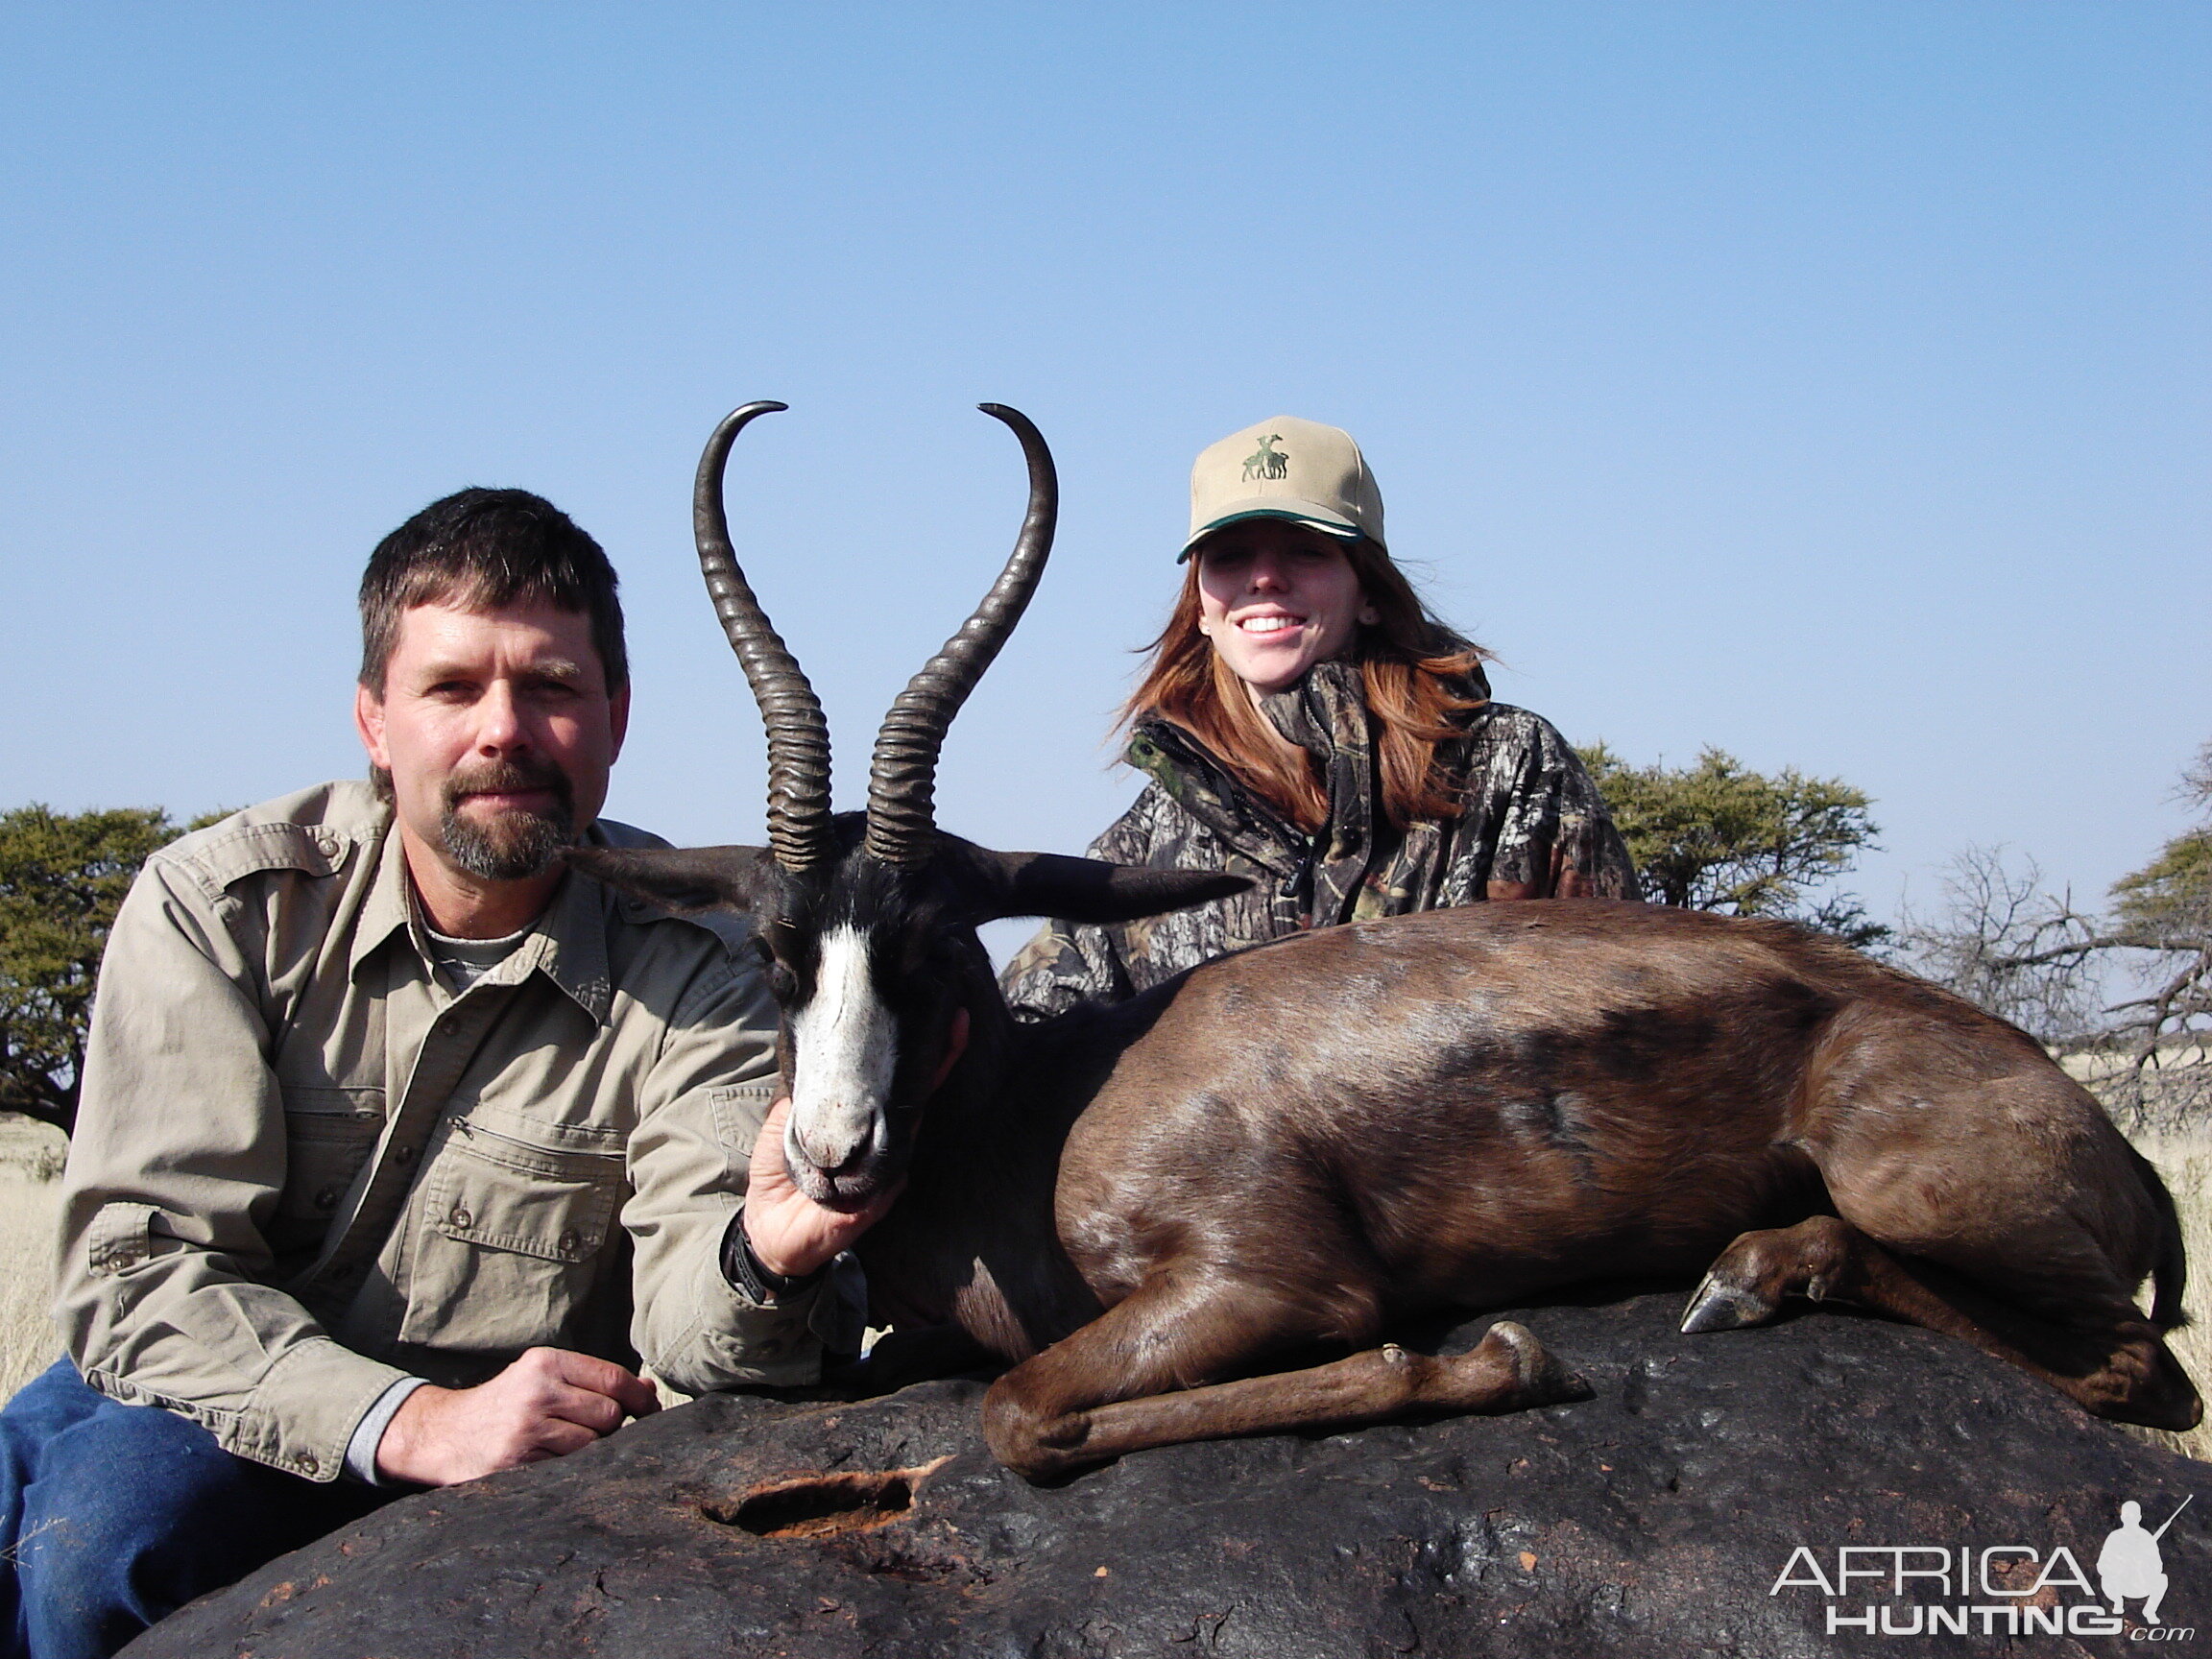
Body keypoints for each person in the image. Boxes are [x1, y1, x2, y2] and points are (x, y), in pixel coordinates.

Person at [0, 489, 881, 1659]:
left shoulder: (711, 965)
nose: (503, 730)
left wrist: (762, 1260)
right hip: (220, 1392)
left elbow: (690, 1328)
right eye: (453, 687)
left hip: (521, 1442)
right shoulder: (220, 906)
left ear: (617, 717)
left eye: (552, 688)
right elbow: (143, 1276)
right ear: (375, 720)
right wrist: (408, 1420)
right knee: (102, 1539)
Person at [1002, 416, 1636, 1019]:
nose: (1265, 579)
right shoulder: (1143, 845)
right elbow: (1023, 1041)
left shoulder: (1512, 768)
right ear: (1200, 606)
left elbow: (1627, 1008)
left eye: (1305, 551)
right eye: (1229, 556)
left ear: (1368, 593)